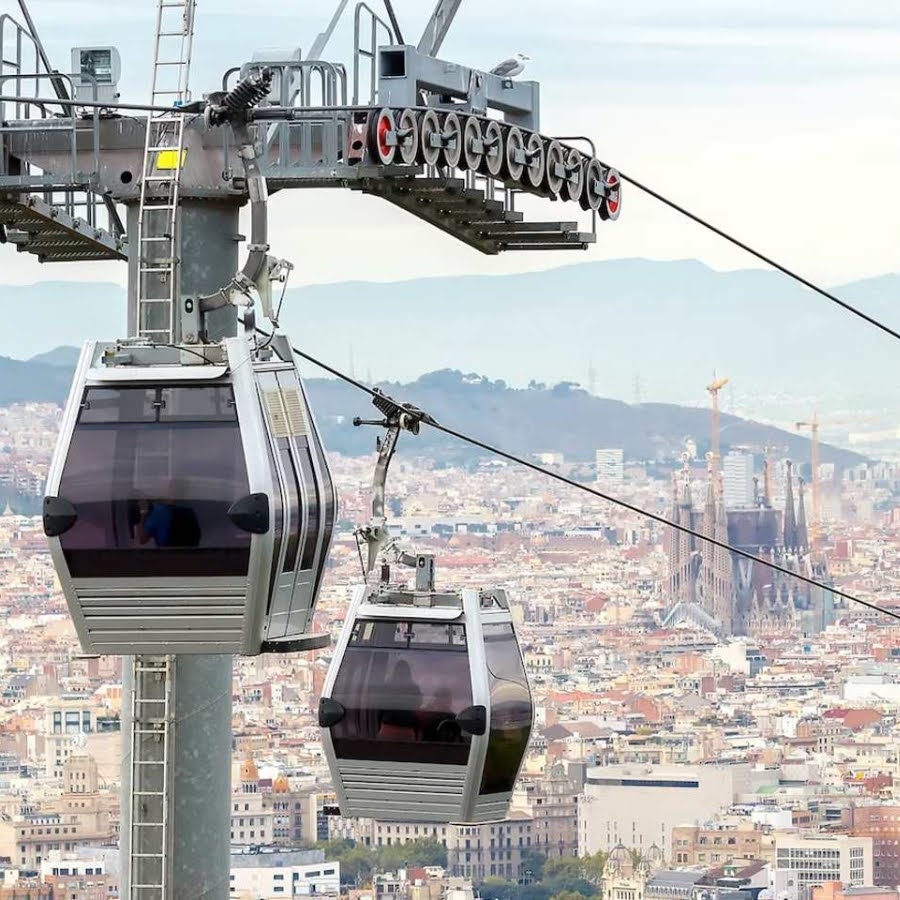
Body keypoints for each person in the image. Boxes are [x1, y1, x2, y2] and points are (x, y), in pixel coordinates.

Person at [376, 660, 422, 742]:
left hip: (387, 730)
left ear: (394, 672)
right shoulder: (414, 689)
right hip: (407, 732)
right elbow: (417, 708)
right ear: (408, 673)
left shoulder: (386, 687)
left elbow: (379, 710)